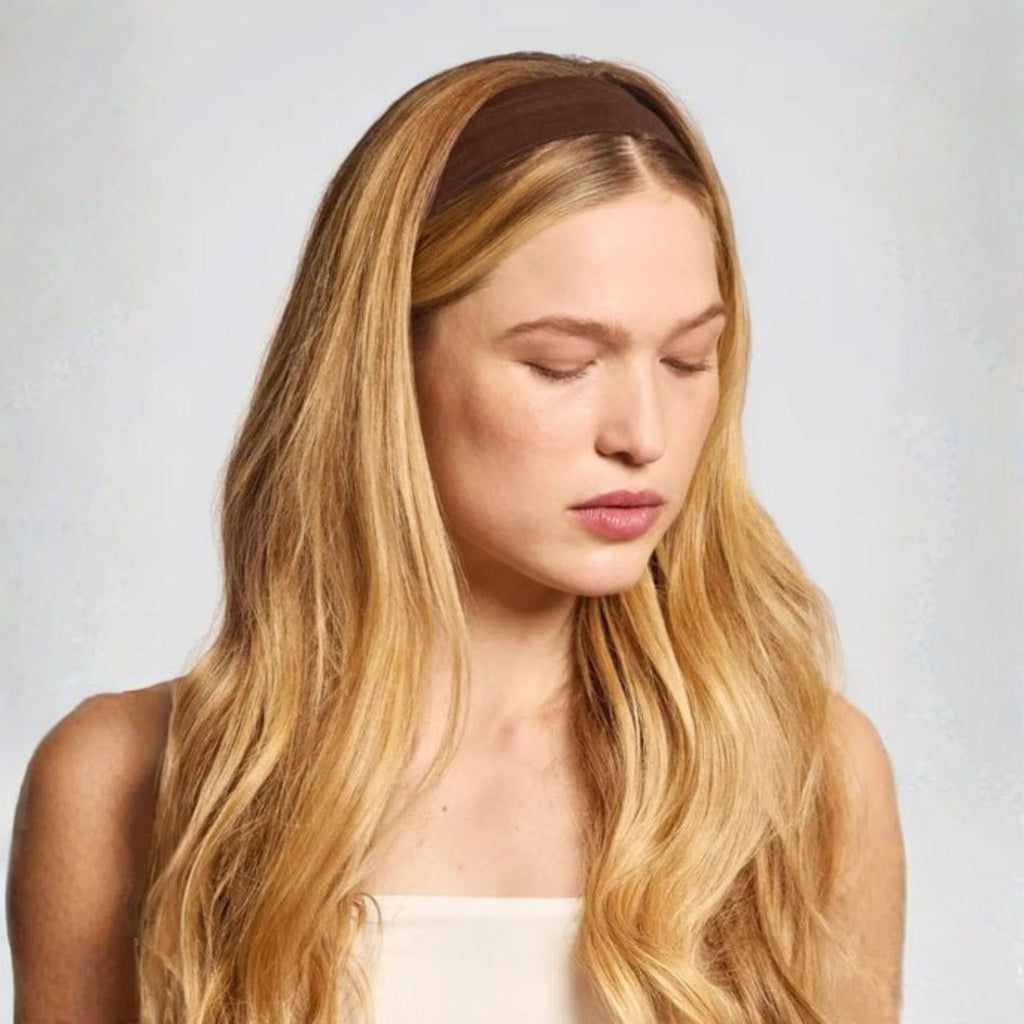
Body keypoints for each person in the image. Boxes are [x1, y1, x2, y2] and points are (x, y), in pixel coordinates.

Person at [6, 50, 906, 1023]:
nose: (642, 434)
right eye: (562, 364)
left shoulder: (801, 776)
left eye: (690, 358)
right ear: (386, 366)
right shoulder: (122, 783)